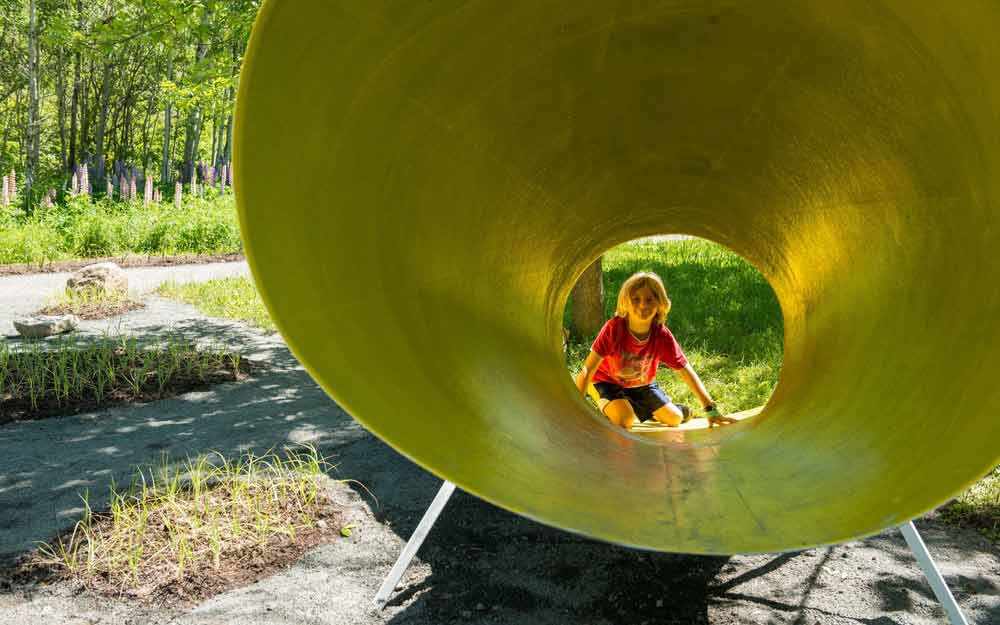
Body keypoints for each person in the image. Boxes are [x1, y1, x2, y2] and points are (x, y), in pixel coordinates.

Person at [574, 271, 735, 429]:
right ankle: (617, 406)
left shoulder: (661, 335)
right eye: (636, 299)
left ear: (660, 304)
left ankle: (652, 409)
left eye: (649, 300)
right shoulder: (614, 329)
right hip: (605, 381)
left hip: (641, 384)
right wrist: (577, 408)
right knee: (625, 420)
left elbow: (685, 370)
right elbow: (588, 369)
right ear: (625, 303)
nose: (643, 305)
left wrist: (710, 408)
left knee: (675, 419)